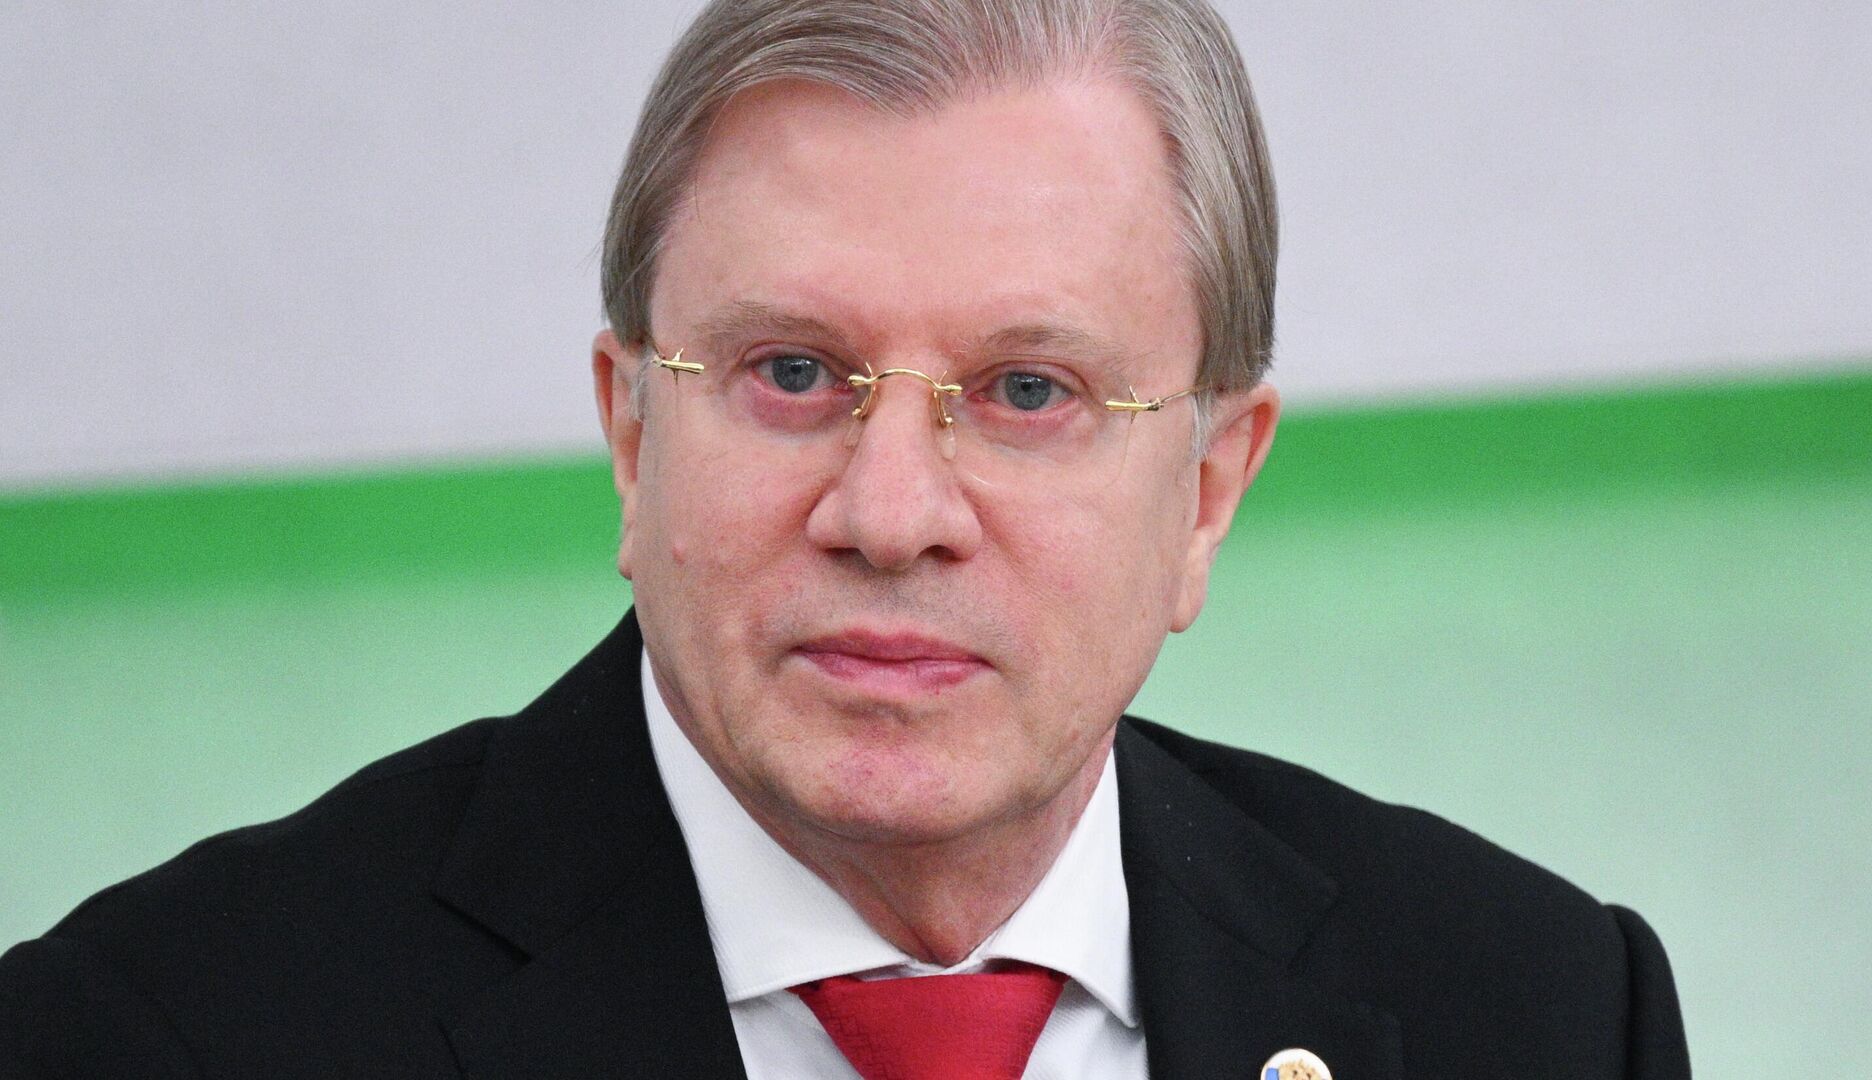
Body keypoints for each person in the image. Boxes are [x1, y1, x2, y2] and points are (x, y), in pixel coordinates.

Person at [0, 0, 1689, 1076]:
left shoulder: (1537, 1013)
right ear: (632, 433)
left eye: (1027, 391)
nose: (889, 516)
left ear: (1205, 491)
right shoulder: (155, 1036)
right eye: (793, 373)